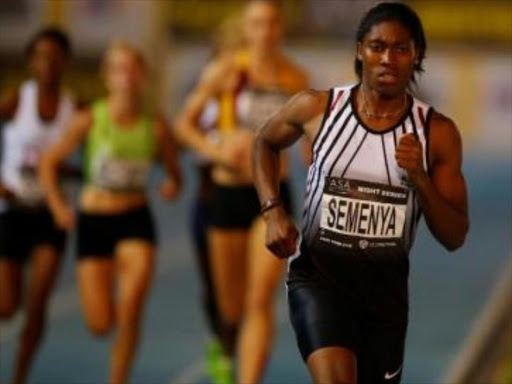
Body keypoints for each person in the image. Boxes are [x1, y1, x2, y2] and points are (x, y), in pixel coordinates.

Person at [252, 3, 469, 383]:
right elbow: (264, 143)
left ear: (416, 55)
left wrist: (420, 179)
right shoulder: (318, 108)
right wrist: (273, 210)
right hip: (318, 280)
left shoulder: (438, 134)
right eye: (377, 46)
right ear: (359, 50)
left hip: (384, 299)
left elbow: (454, 236)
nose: (388, 58)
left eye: (401, 49)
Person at [175, 1, 308, 382]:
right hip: (227, 192)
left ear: (280, 29)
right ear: (246, 29)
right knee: (230, 309)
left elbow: (311, 135)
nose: (264, 31)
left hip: (273, 198)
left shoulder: (295, 77)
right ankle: (224, 343)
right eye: (257, 23)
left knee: (259, 299)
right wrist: (218, 150)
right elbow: (185, 125)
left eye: (271, 23)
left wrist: (313, 151)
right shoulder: (227, 70)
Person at [40, 41, 181, 384]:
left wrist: (171, 186)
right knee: (101, 324)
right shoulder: (90, 119)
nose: (127, 76)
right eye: (119, 69)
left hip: (135, 218)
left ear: (143, 76)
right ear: (107, 78)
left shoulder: (156, 126)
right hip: (94, 222)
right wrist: (59, 207)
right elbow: (49, 162)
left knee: (132, 307)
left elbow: (175, 173)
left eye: (133, 68)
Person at [0, 27, 74, 384]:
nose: (48, 64)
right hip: (13, 212)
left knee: (37, 305)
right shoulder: (17, 100)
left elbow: (95, 152)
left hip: (49, 213)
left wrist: (68, 171)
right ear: (31, 62)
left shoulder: (74, 108)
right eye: (41, 56)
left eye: (56, 57)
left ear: (66, 62)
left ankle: (18, 377)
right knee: (6, 306)